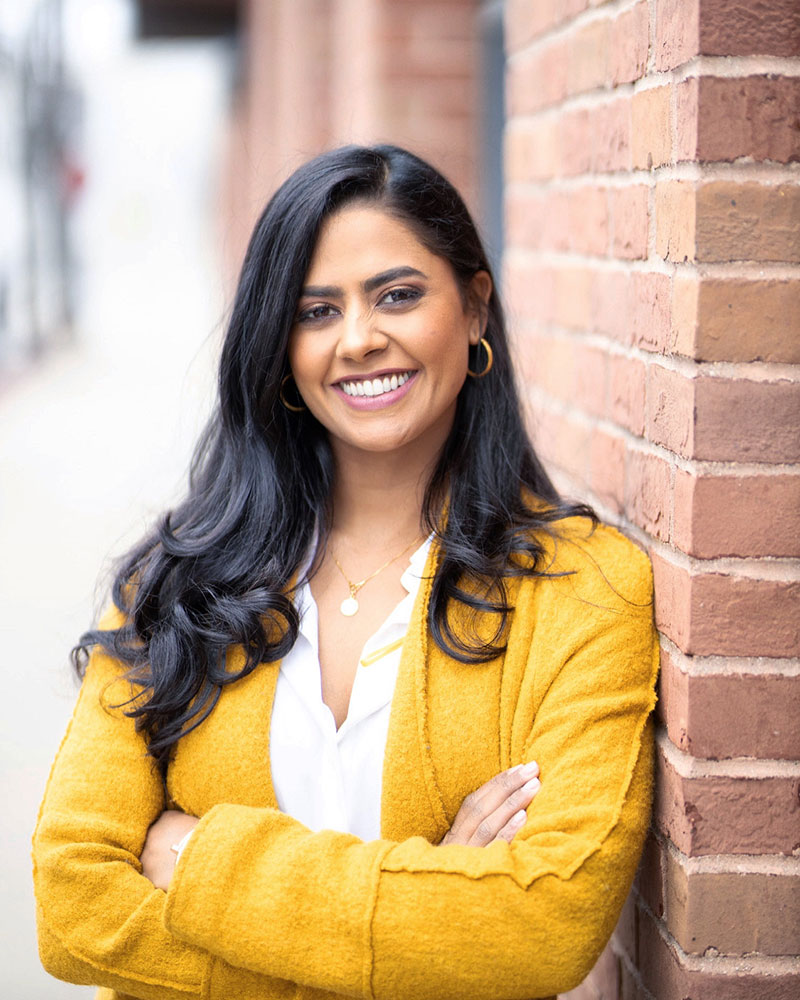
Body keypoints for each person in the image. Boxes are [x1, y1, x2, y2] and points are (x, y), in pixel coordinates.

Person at [33, 144, 659, 1000]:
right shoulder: (180, 581)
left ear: (475, 310)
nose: (360, 339)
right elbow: (74, 906)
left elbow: (541, 926)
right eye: (316, 311)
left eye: (398, 295)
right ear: (281, 347)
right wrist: (423, 921)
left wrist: (195, 856)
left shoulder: (585, 593)